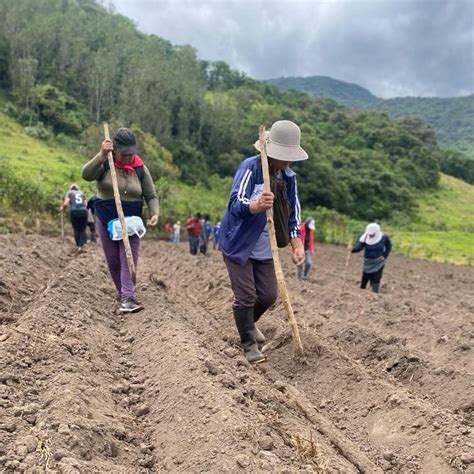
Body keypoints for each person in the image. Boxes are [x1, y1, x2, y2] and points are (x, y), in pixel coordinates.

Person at [219, 120, 307, 363]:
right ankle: (248, 343)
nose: (288, 161)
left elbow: (293, 212)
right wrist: (255, 206)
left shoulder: (289, 177)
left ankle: (247, 323)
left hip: (266, 246)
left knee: (268, 295)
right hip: (238, 242)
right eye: (284, 155)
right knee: (246, 295)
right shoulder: (251, 168)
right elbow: (235, 203)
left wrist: (296, 242)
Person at [81, 127, 159, 313]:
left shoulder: (140, 168)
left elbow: (151, 194)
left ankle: (128, 297)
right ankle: (122, 291)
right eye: (124, 154)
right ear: (115, 150)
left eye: (132, 153)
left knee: (128, 258)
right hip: (106, 216)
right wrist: (101, 154)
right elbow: (86, 174)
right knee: (113, 260)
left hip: (131, 220)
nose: (128, 157)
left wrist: (155, 212)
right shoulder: (106, 163)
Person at [350, 223, 391, 293]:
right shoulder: (365, 238)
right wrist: (352, 249)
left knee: (376, 278)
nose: (370, 235)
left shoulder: (384, 237)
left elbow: (388, 246)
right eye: (369, 234)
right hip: (368, 262)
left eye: (372, 234)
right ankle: (361, 292)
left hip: (378, 262)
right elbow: (359, 247)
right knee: (365, 278)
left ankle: (374, 293)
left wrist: (385, 255)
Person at [60, 183, 88, 252]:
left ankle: (78, 246)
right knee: (82, 229)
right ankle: (82, 245)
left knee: (76, 229)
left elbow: (66, 203)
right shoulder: (81, 193)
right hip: (84, 211)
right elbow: (86, 203)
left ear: (71, 188)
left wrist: (62, 208)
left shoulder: (69, 193)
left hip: (74, 211)